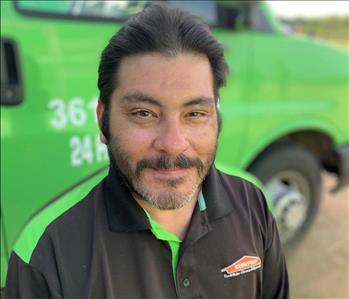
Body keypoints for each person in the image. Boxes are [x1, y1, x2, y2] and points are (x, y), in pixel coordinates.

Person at [5, 5, 288, 299]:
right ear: (103, 120)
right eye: (144, 113)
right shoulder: (45, 249)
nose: (173, 143)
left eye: (195, 113)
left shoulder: (252, 201)